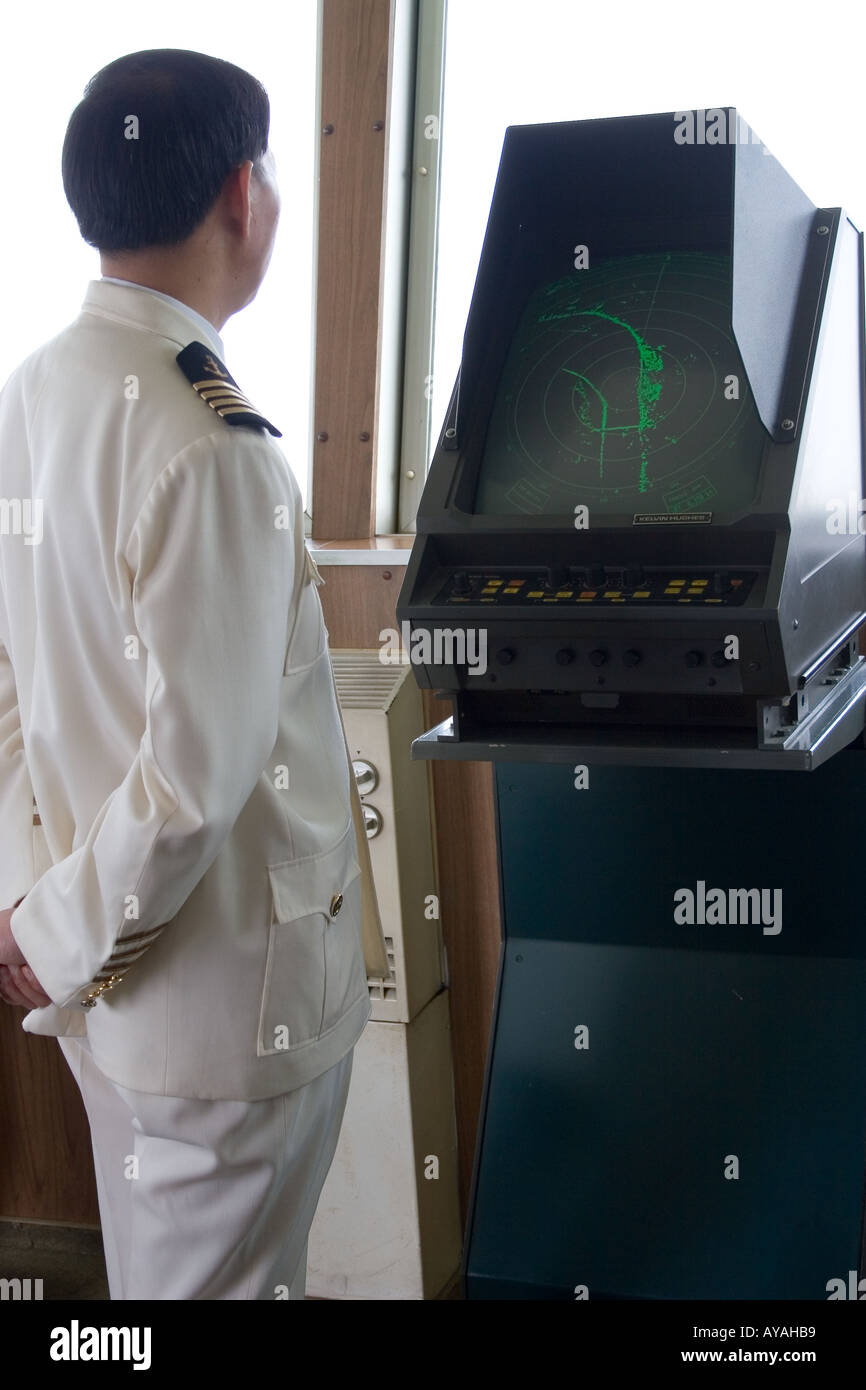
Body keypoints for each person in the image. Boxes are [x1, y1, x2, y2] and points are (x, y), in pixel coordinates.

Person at [0, 48, 387, 1301]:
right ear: (243, 194)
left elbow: (10, 683)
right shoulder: (210, 448)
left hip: (107, 1002)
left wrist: (35, 911)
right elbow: (193, 782)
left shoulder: (31, 396)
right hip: (222, 1019)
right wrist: (52, 935)